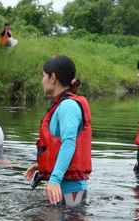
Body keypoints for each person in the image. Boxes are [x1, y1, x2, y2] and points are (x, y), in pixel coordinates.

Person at [24, 56, 92, 206]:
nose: (42, 81)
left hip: (70, 191)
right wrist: (43, 166)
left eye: (43, 76)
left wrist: (54, 179)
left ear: (52, 77)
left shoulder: (68, 106)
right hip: (64, 189)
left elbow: (69, 143)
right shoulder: (62, 104)